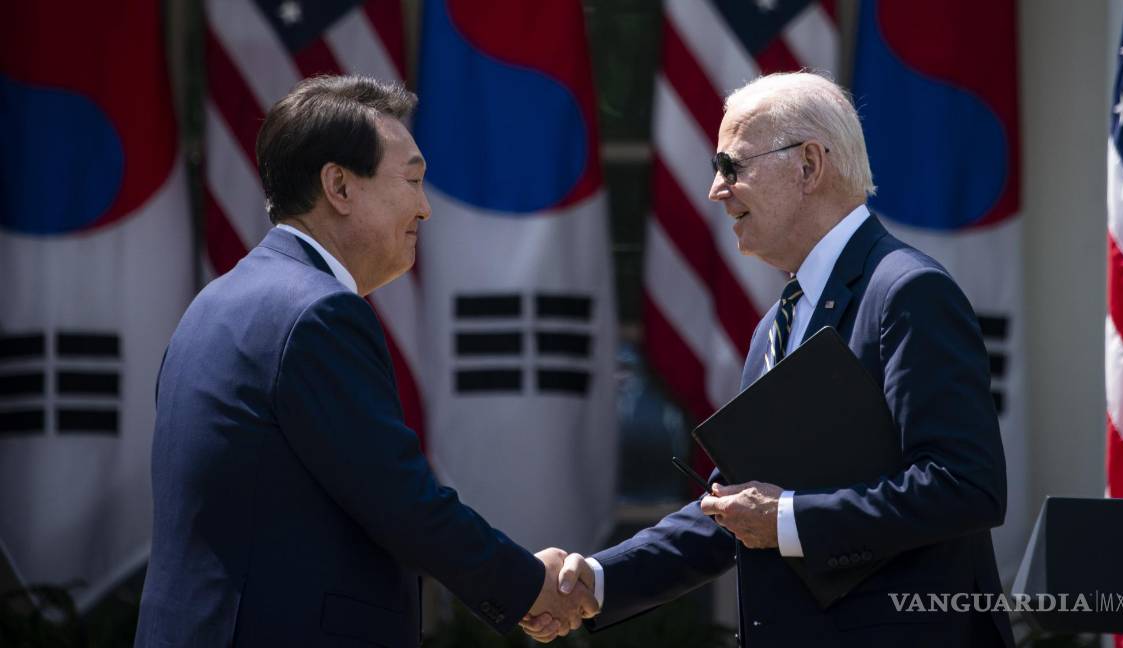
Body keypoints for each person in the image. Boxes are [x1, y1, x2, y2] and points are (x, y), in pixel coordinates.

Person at [523, 72, 1012, 647]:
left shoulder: (907, 292)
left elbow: (964, 484)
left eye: (732, 166)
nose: (715, 189)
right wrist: (597, 579)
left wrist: (787, 519)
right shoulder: (776, 323)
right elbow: (735, 507)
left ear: (808, 166)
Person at [135, 75, 594, 647]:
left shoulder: (217, 303)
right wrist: (529, 585)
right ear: (340, 187)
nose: (425, 209)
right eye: (413, 180)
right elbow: (402, 502)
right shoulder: (318, 314)